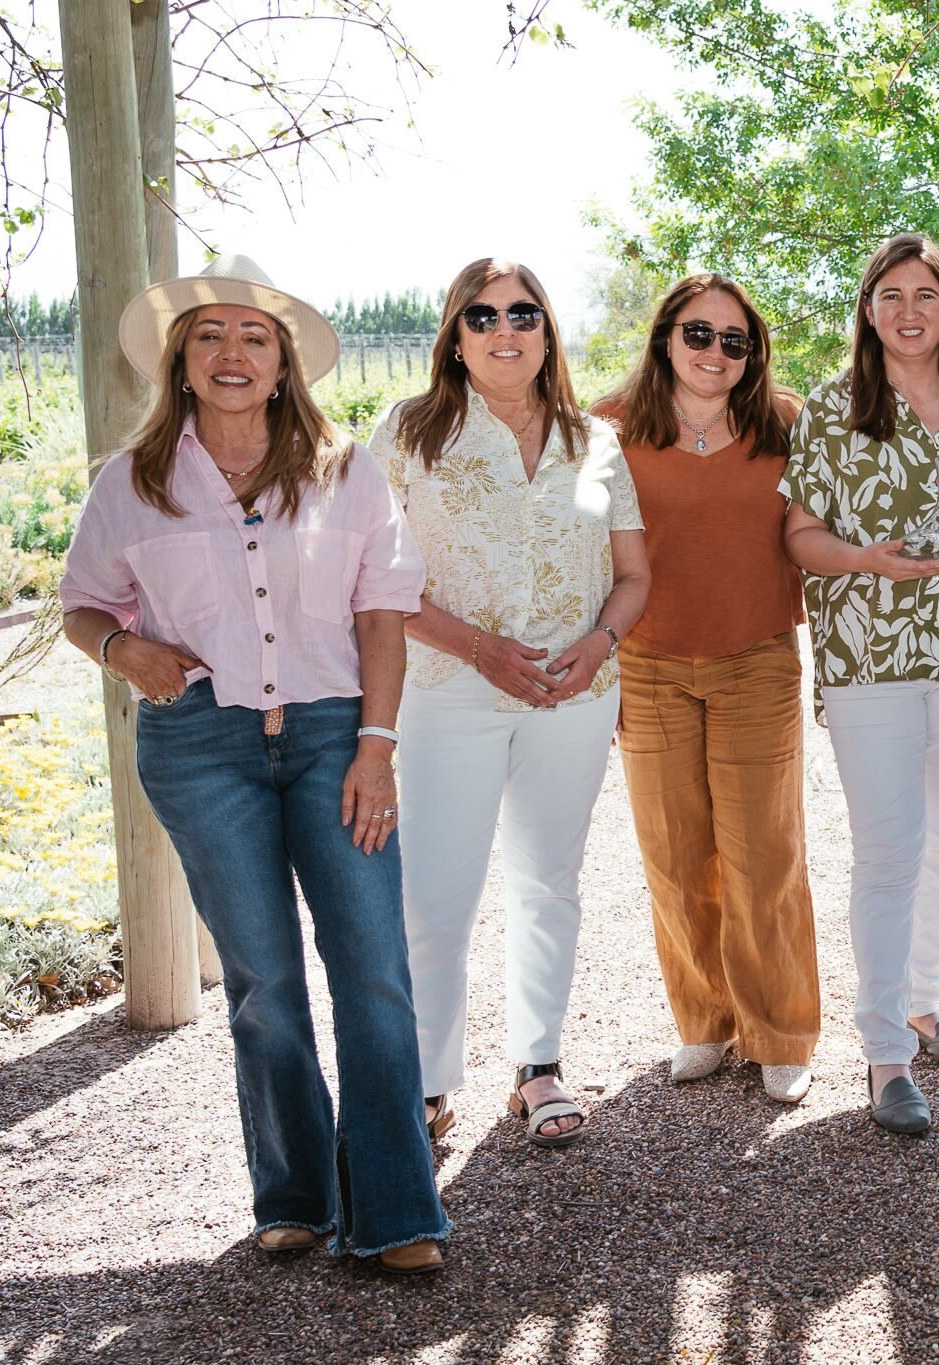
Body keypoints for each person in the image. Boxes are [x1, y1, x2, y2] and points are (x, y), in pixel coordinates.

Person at [60, 255, 447, 1273]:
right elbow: (81, 606)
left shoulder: (345, 469)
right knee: (265, 982)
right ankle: (294, 1199)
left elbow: (383, 614)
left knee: (372, 972)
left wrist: (377, 745)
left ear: (283, 368)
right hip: (198, 749)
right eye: (209, 336)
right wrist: (120, 648)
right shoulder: (131, 484)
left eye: (254, 338)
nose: (231, 353)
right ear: (182, 364)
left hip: (333, 738)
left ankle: (398, 1214)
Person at [369, 259, 650, 1150]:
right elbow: (374, 583)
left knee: (547, 881)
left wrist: (600, 641)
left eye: (523, 312)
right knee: (438, 894)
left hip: (573, 696)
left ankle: (538, 1065)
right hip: (453, 693)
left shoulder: (591, 440)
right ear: (455, 334)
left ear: (545, 330)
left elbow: (635, 574)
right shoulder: (407, 434)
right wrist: (480, 647)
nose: (505, 328)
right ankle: (424, 1082)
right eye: (482, 315)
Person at [781, 233, 939, 1134]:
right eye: (889, 294)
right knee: (889, 847)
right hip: (869, 652)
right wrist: (866, 562)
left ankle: (925, 1004)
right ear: (867, 309)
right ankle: (885, 1053)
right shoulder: (832, 408)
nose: (907, 310)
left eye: (924, 293)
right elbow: (798, 538)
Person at [595, 274, 820, 1105]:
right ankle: (705, 1021)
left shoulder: (785, 423)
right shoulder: (608, 428)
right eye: (699, 334)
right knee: (674, 852)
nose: (717, 353)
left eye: (736, 340)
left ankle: (781, 1030)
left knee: (765, 852)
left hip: (756, 659)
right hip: (647, 665)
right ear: (665, 338)